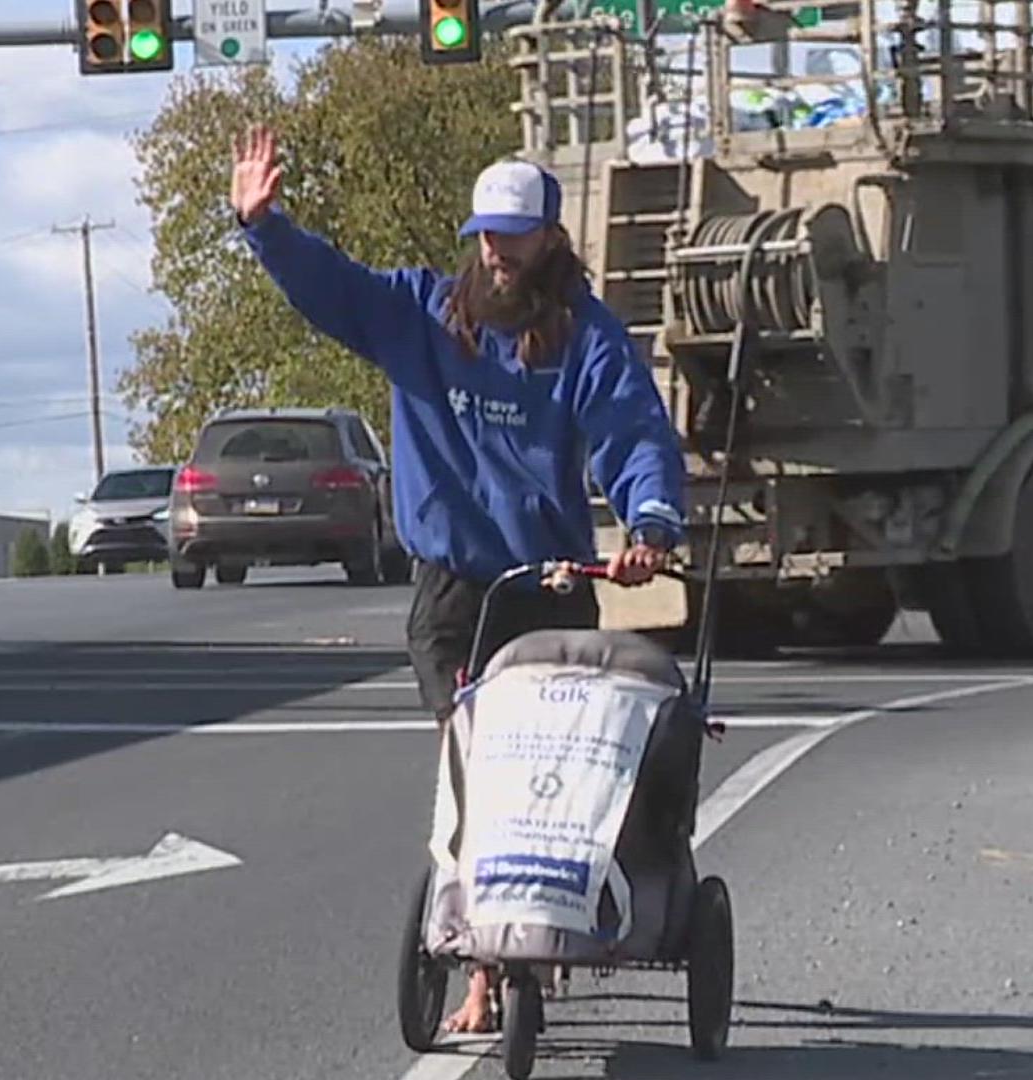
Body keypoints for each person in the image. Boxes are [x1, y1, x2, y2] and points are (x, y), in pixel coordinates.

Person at [230, 126, 689, 1034]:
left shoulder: (585, 341)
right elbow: (336, 288)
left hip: (546, 587)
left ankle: (549, 925)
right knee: (476, 765)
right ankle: (484, 968)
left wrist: (649, 523)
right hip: (451, 592)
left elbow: (631, 432)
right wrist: (265, 227)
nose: (496, 253)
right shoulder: (423, 314)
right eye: (484, 235)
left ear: (551, 240)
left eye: (513, 237)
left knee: (555, 777)